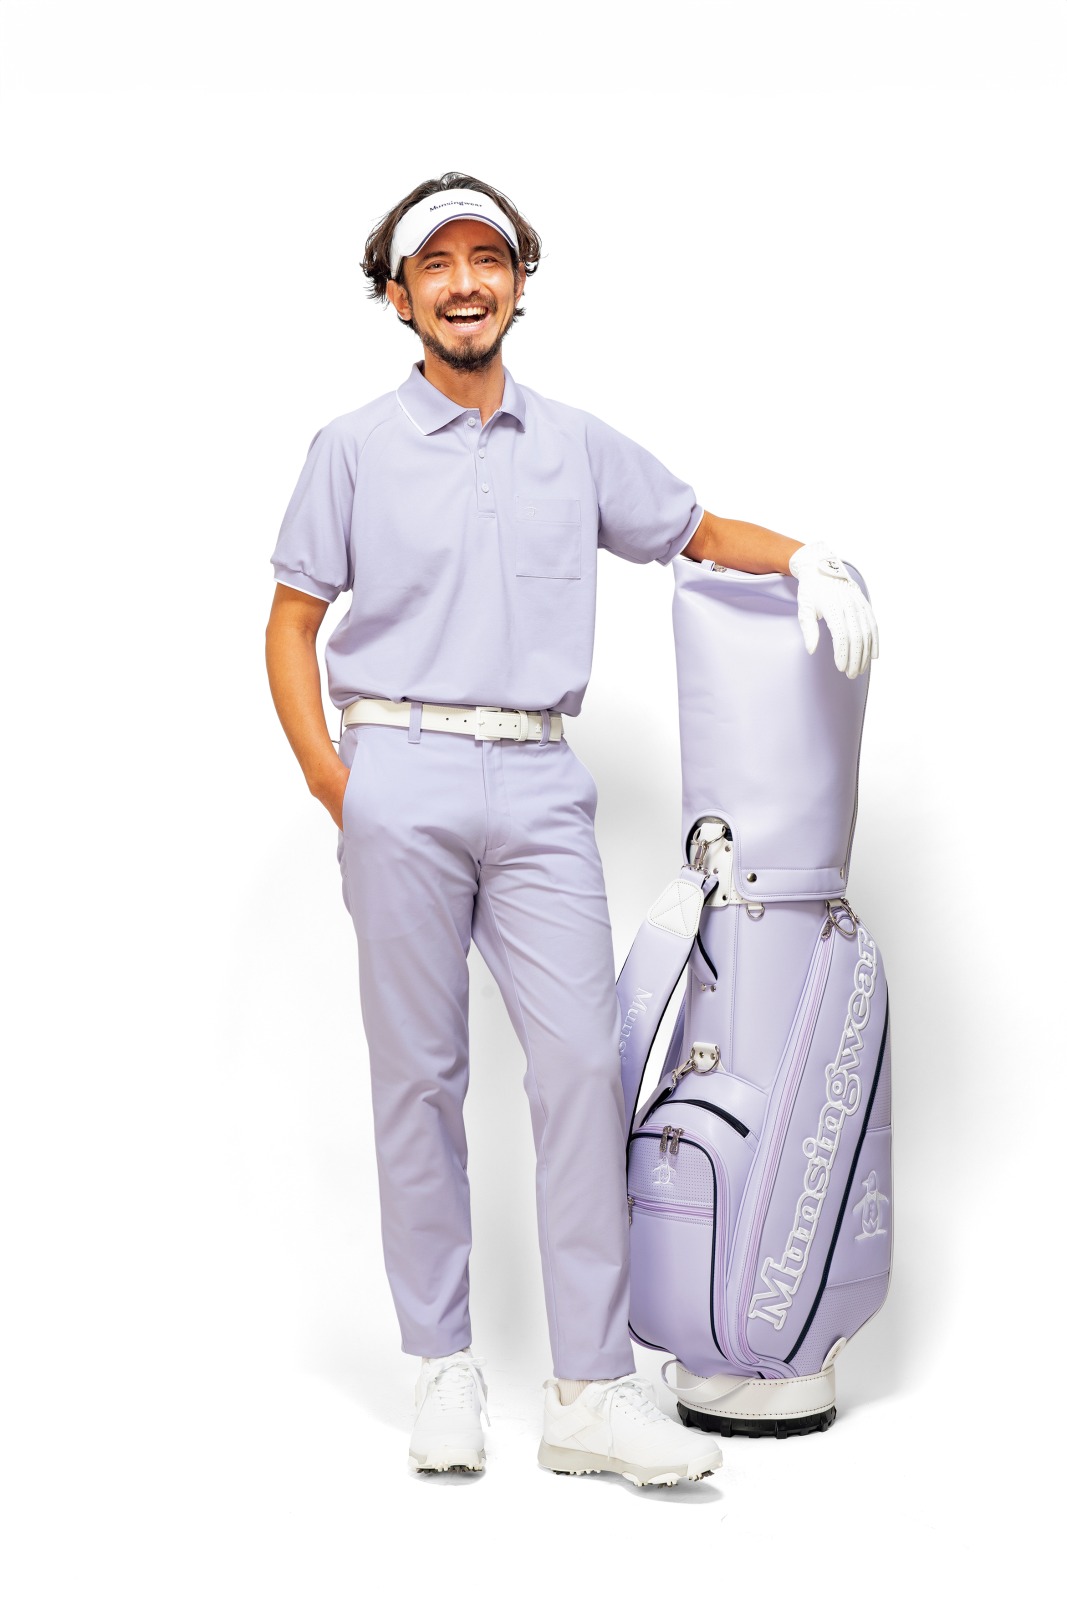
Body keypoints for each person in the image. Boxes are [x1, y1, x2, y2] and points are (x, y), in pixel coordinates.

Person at [264, 172, 878, 1487]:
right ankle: (442, 1367)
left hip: (540, 781)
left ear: (520, 282)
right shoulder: (350, 449)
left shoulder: (577, 445)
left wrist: (803, 557)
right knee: (418, 1078)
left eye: (488, 259)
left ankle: (589, 1395)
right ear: (398, 295)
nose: (465, 282)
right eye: (437, 265)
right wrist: (334, 780)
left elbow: (694, 530)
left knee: (585, 1069)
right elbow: (294, 619)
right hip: (399, 769)